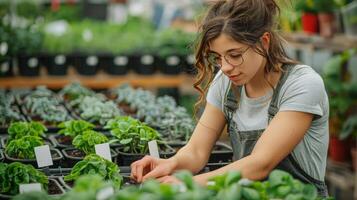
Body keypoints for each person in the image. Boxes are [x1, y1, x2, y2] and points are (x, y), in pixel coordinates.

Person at [131, 0, 329, 197]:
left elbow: (260, 164)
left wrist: (187, 183)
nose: (225, 67)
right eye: (217, 57)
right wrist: (169, 163)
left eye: (234, 55)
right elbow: (197, 151)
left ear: (264, 42)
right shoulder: (226, 83)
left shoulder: (302, 85)